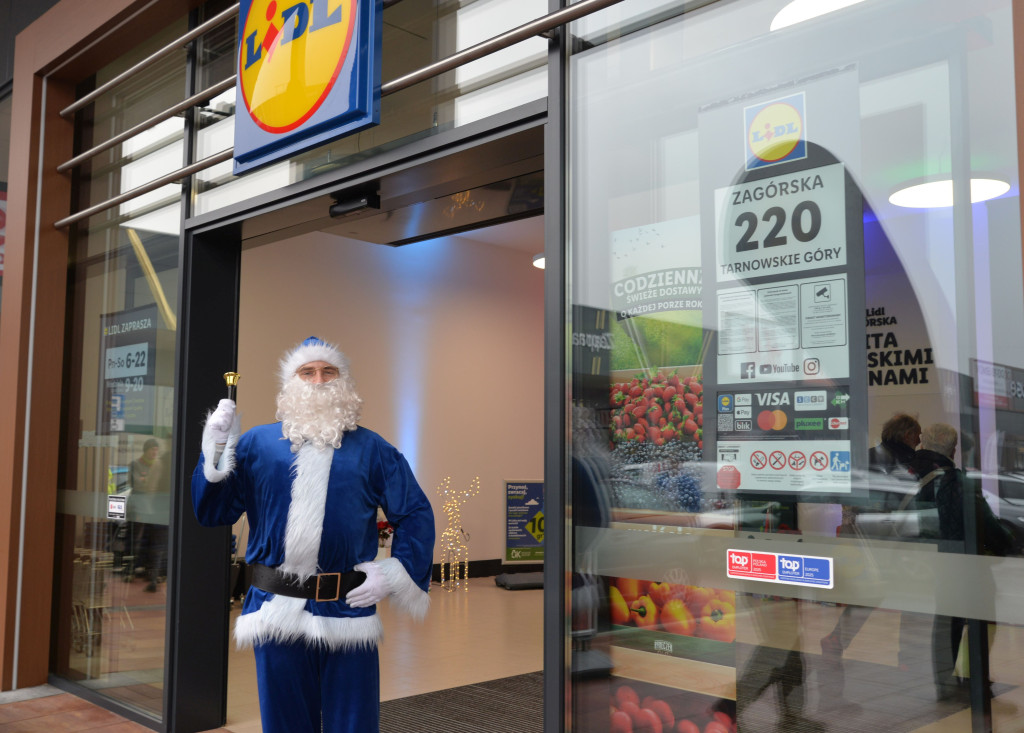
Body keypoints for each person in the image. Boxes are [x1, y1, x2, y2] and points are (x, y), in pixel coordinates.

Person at [192, 337, 435, 733]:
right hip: (274, 608)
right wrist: (216, 450)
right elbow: (212, 511)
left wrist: (393, 572)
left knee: (353, 724)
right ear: (291, 382)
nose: (318, 380)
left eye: (329, 371)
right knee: (284, 723)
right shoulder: (256, 444)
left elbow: (416, 513)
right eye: (307, 372)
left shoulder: (372, 449)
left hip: (348, 608)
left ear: (343, 381)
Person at [908, 423, 1012, 702]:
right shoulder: (955, 480)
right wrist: (1005, 542)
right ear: (952, 449)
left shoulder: (907, 473)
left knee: (946, 621)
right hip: (961, 561)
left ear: (922, 443)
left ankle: (945, 683)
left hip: (927, 561)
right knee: (982, 617)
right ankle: (973, 679)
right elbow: (984, 523)